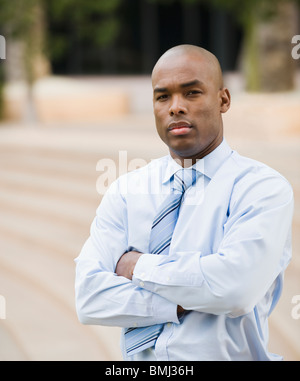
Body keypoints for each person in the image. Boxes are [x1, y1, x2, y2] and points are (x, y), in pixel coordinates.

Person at [75, 44, 294, 361]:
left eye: (191, 93)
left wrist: (136, 266)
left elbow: (234, 289)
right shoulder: (126, 191)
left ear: (223, 100)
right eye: (163, 96)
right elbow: (90, 298)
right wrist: (183, 297)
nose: (175, 107)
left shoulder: (261, 189)